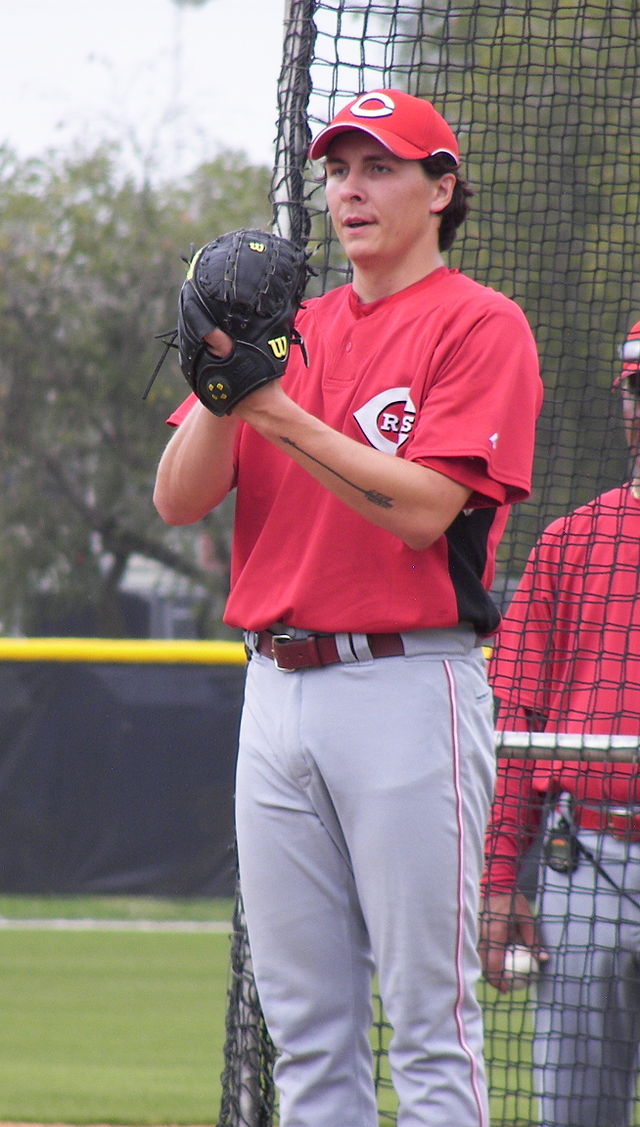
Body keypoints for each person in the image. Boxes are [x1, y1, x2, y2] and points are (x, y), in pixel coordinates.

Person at [154, 88, 542, 1127]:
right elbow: (178, 495)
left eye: (379, 166)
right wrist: (220, 382)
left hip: (406, 683)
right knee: (306, 1029)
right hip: (275, 688)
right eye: (337, 169)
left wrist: (269, 408)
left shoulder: (479, 323)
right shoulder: (295, 331)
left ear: (441, 187)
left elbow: (421, 513)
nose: (350, 190)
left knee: (427, 1021)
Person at [480, 320, 640, 1127]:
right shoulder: (569, 543)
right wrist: (501, 878)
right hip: (593, 861)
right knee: (575, 1115)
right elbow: (519, 726)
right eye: (638, 387)